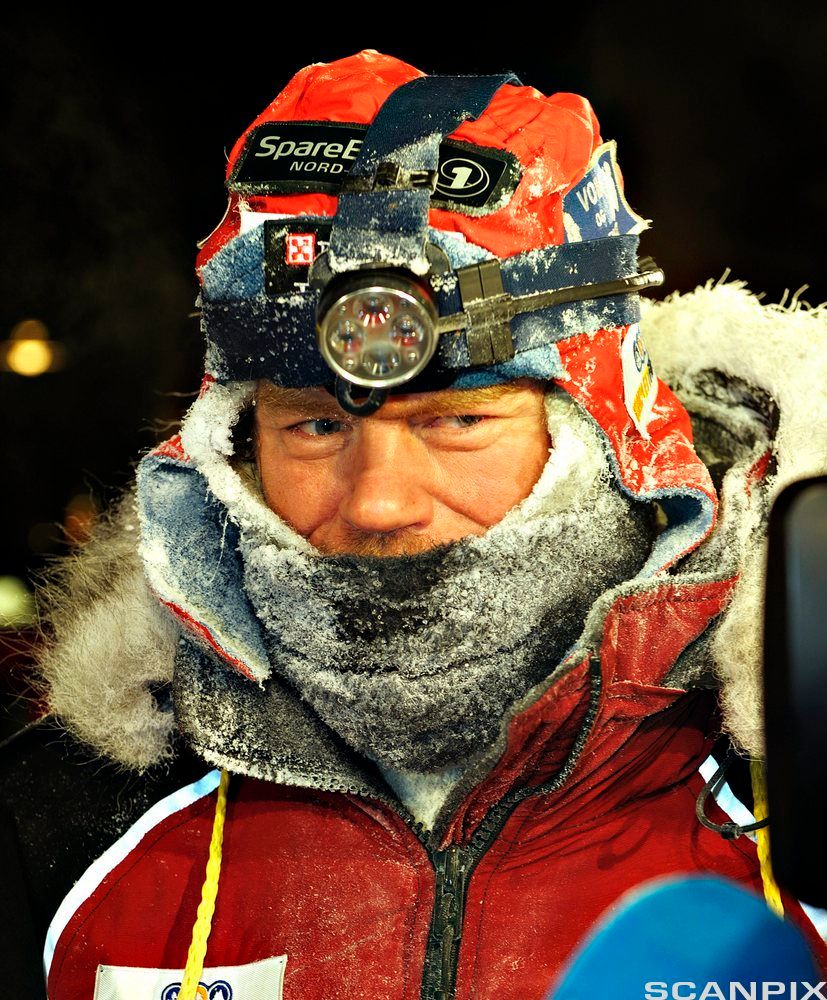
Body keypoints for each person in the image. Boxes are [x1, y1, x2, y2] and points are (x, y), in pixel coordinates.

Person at [3, 49, 827, 1000]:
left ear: (610, 433)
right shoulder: (68, 822)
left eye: (457, 420)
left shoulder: (797, 777)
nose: (378, 503)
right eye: (315, 426)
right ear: (232, 443)